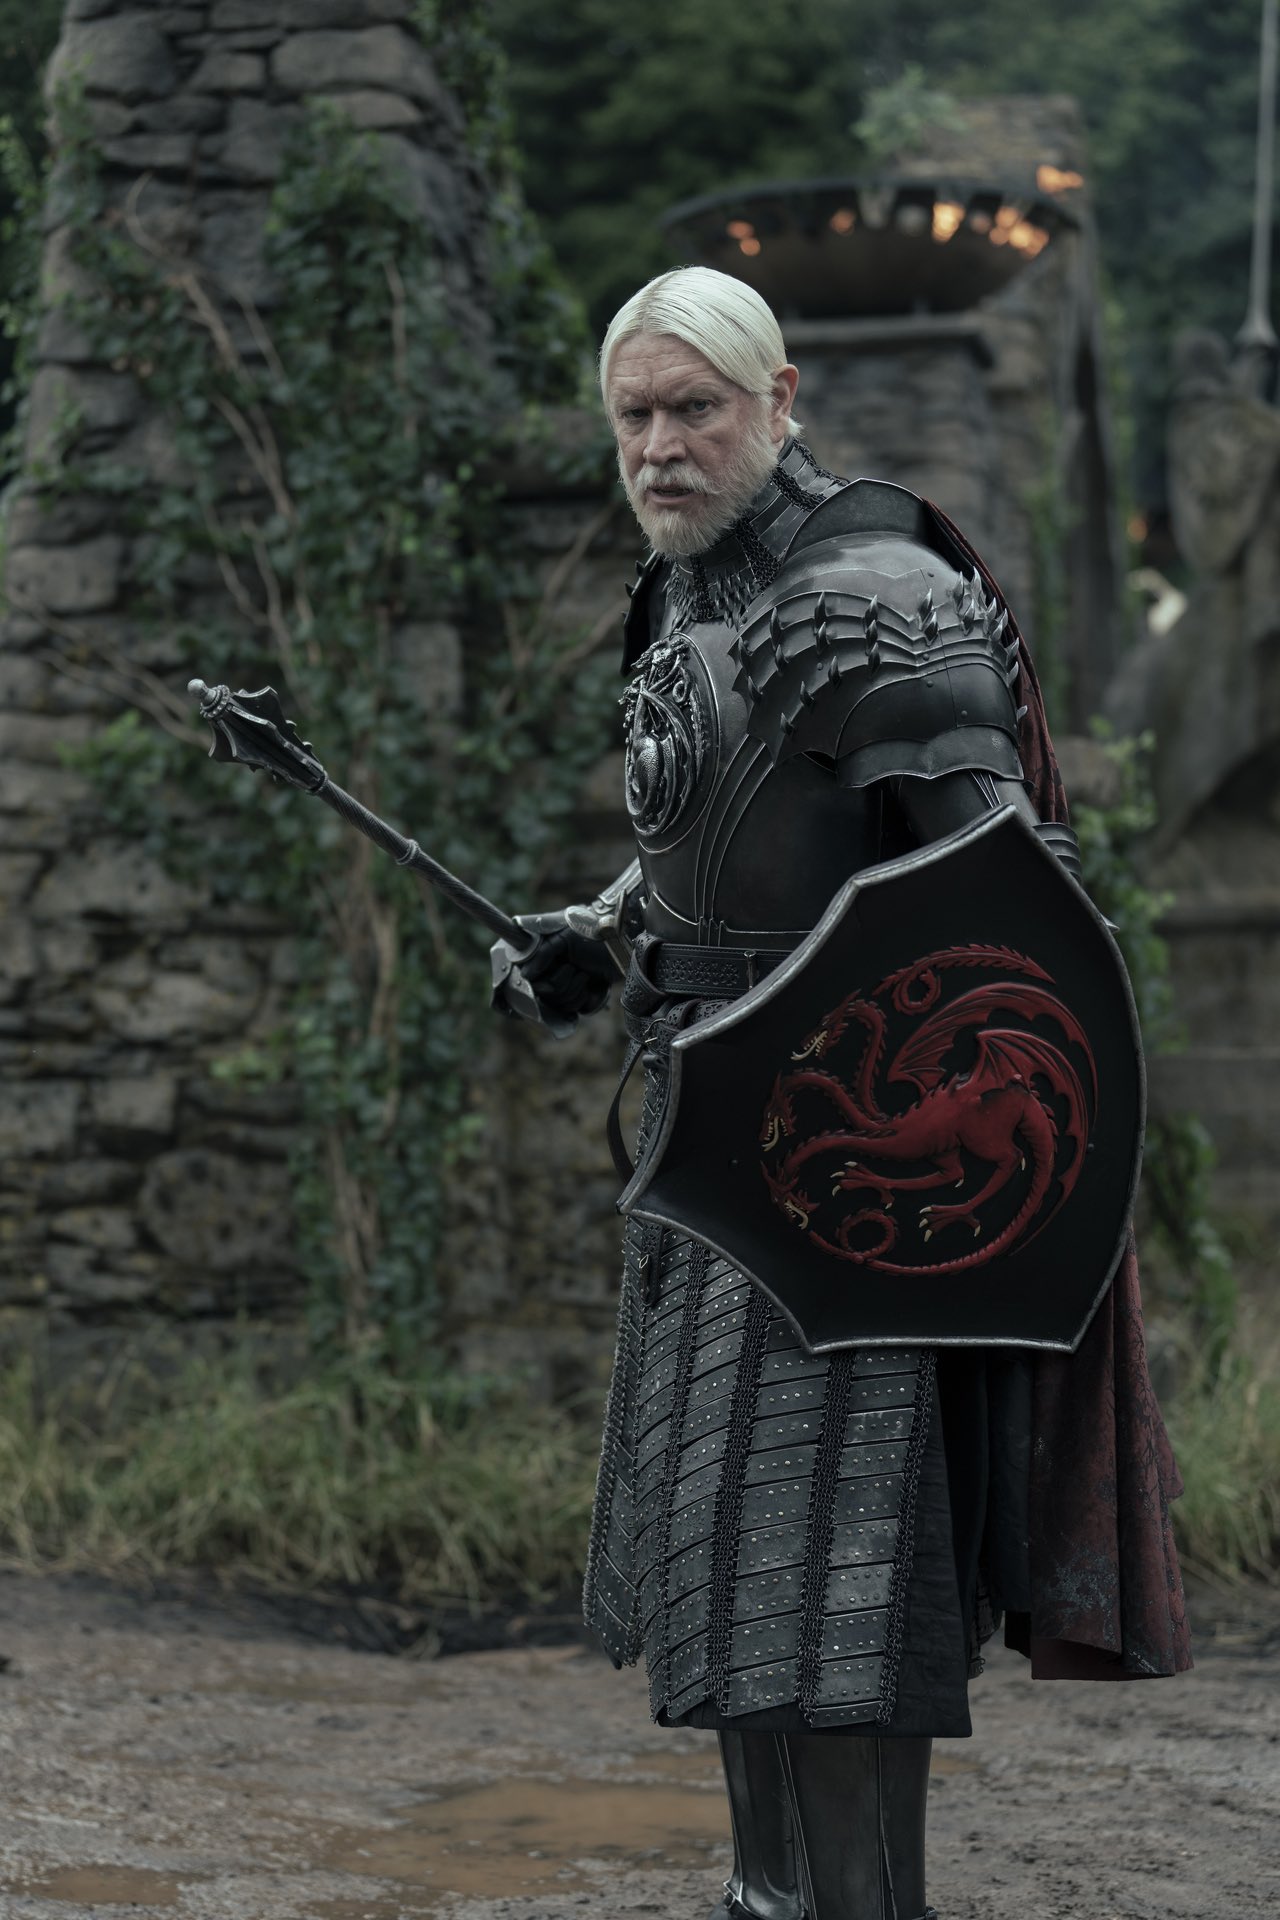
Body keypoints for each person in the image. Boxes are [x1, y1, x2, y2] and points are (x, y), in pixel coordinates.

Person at [492, 267, 1190, 1920]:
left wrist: (858, 1104)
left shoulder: (876, 595)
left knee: (836, 1591)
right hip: (710, 1161)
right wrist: (601, 929)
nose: (659, 448)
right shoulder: (687, 591)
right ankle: (769, 1901)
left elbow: (1010, 909)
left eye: (695, 410)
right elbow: (721, 841)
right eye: (635, 417)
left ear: (781, 399)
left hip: (856, 1189)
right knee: (733, 1579)